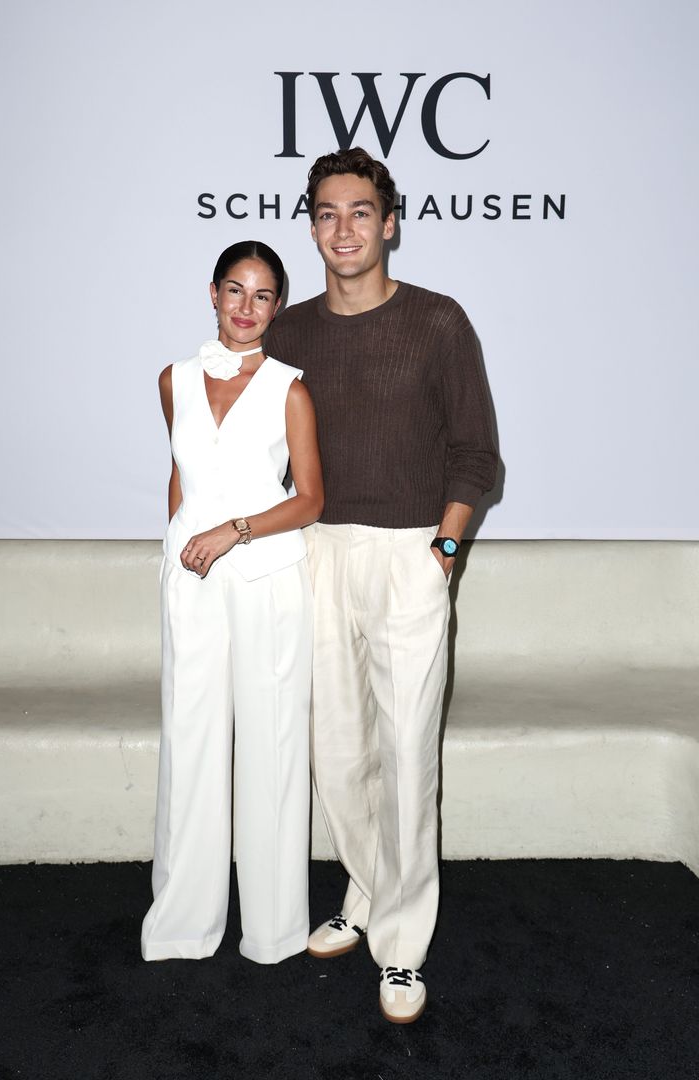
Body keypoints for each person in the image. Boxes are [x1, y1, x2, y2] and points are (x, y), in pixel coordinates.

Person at [264, 148, 498, 1021]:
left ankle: (402, 946)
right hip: (317, 551)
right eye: (327, 213)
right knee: (337, 751)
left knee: (405, 756)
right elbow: (256, 449)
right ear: (312, 226)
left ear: (390, 223)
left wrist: (442, 553)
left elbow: (476, 454)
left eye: (361, 212)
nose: (344, 229)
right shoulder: (288, 334)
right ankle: (364, 890)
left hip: (410, 554)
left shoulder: (438, 322)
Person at [141, 240, 323, 965]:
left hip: (267, 576)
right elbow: (182, 473)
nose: (247, 307)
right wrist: (179, 547)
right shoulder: (174, 380)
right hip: (191, 577)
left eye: (263, 295)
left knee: (272, 745)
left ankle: (273, 930)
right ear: (213, 294)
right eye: (236, 291)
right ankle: (182, 923)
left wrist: (233, 531)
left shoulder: (289, 389)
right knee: (189, 741)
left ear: (277, 306)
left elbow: (310, 500)